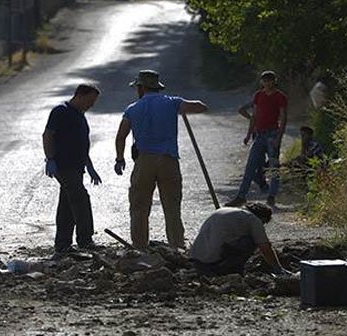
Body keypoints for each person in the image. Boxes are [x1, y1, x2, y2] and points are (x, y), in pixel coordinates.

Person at [114, 69, 208, 249]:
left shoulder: (132, 109)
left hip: (144, 161)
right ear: (157, 87)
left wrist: (120, 159)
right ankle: (177, 245)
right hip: (168, 160)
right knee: (172, 206)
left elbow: (121, 137)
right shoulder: (172, 103)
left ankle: (140, 246)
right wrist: (184, 106)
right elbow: (201, 106)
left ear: (141, 88)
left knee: (139, 206)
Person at [43, 83, 102, 256]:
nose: (91, 105)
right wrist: (50, 159)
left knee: (67, 204)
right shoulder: (60, 111)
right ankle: (85, 240)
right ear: (80, 96)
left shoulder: (80, 116)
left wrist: (90, 168)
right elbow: (48, 135)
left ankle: (62, 243)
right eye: (90, 101)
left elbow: (82, 145)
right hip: (63, 165)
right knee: (80, 199)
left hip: (77, 167)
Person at [226, 70, 288, 207]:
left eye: (270, 80)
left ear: (274, 81)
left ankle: (271, 196)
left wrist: (279, 137)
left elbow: (283, 118)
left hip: (272, 134)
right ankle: (241, 196)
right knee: (250, 166)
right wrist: (248, 134)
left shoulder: (280, 96)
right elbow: (254, 115)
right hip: (259, 135)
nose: (267, 83)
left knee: (274, 167)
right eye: (265, 80)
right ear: (262, 82)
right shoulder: (258, 96)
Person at [190, 202, 287, 276]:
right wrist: (277, 267)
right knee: (250, 241)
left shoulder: (225, 210)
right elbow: (265, 247)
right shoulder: (253, 219)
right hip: (212, 263)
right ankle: (231, 270)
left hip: (197, 259)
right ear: (262, 217)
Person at [237, 101, 269, 193]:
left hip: (260, 132)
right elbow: (241, 110)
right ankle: (262, 182)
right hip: (264, 132)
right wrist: (252, 119)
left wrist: (251, 119)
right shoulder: (259, 101)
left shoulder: (257, 101)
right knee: (262, 159)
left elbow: (241, 110)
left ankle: (260, 179)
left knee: (262, 160)